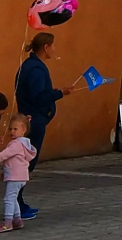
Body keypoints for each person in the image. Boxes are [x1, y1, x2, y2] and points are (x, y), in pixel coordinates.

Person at [14, 32, 79, 220]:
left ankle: (19, 201)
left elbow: (39, 92)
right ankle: (16, 204)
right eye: (53, 45)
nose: (55, 49)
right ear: (46, 47)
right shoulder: (35, 69)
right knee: (25, 164)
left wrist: (55, 91)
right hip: (34, 121)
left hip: (33, 119)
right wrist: (60, 93)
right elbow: (38, 97)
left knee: (25, 164)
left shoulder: (33, 66)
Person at [0, 114, 36, 231]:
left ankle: (7, 222)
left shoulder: (16, 144)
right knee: (13, 198)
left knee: (8, 199)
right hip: (20, 176)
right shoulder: (24, 144)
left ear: (23, 130)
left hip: (14, 176)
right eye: (10, 129)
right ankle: (17, 220)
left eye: (15, 129)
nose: (12, 131)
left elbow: (4, 155)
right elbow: (12, 161)